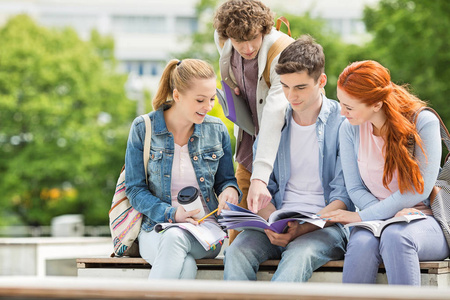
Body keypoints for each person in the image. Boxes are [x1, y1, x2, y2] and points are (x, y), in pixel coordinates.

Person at [223, 35, 355, 282]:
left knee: (298, 255)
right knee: (237, 251)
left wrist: (302, 229)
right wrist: (273, 224)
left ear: (321, 81)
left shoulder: (343, 123)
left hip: (325, 227)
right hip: (278, 223)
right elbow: (265, 188)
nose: (291, 96)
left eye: (300, 87)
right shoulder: (275, 121)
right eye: (284, 86)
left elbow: (344, 196)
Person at [320, 60, 450, 285]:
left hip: (427, 219)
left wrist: (361, 216)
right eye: (341, 103)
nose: (342, 112)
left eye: (349, 107)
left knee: (397, 237)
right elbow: (355, 188)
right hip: (376, 219)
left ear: (377, 104)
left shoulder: (422, 122)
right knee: (361, 243)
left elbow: (418, 190)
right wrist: (382, 216)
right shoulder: (349, 128)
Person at [124, 58, 240, 279]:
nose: (208, 107)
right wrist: (171, 214)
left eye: (212, 99)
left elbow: (227, 180)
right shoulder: (143, 128)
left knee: (175, 239)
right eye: (200, 100)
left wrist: (230, 191)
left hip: (205, 232)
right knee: (183, 261)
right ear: (177, 96)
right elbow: (135, 190)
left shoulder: (217, 130)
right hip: (156, 229)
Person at [213, 0, 291, 242]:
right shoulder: (223, 39)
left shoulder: (283, 52)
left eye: (253, 38)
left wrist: (260, 176)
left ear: (265, 29)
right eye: (239, 41)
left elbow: (275, 114)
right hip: (249, 144)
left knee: (282, 230)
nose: (247, 48)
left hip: (285, 146)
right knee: (237, 227)